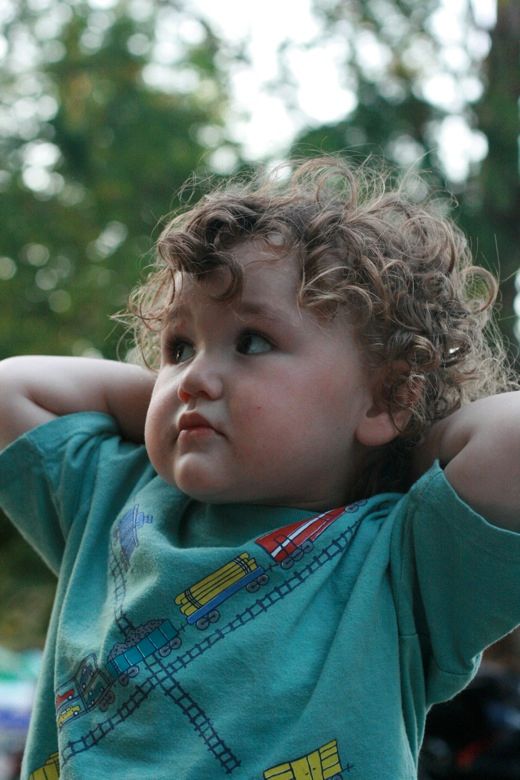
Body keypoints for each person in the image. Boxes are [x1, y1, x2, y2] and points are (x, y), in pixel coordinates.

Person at [0, 157, 519, 779]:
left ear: (386, 398)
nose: (193, 376)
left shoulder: (398, 561)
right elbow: (12, 390)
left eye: (251, 342)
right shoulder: (113, 501)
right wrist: (186, 406)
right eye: (179, 347)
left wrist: (392, 437)